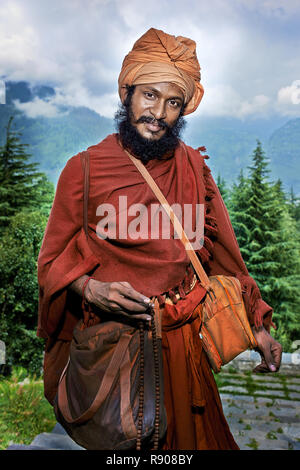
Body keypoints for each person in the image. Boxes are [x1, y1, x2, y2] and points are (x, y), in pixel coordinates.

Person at [37, 28, 282, 450]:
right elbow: (52, 261)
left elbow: (223, 256)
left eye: (173, 102)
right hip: (117, 350)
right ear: (126, 94)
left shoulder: (193, 168)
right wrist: (91, 289)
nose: (159, 113)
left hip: (184, 350)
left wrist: (257, 325)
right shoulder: (85, 170)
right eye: (149, 96)